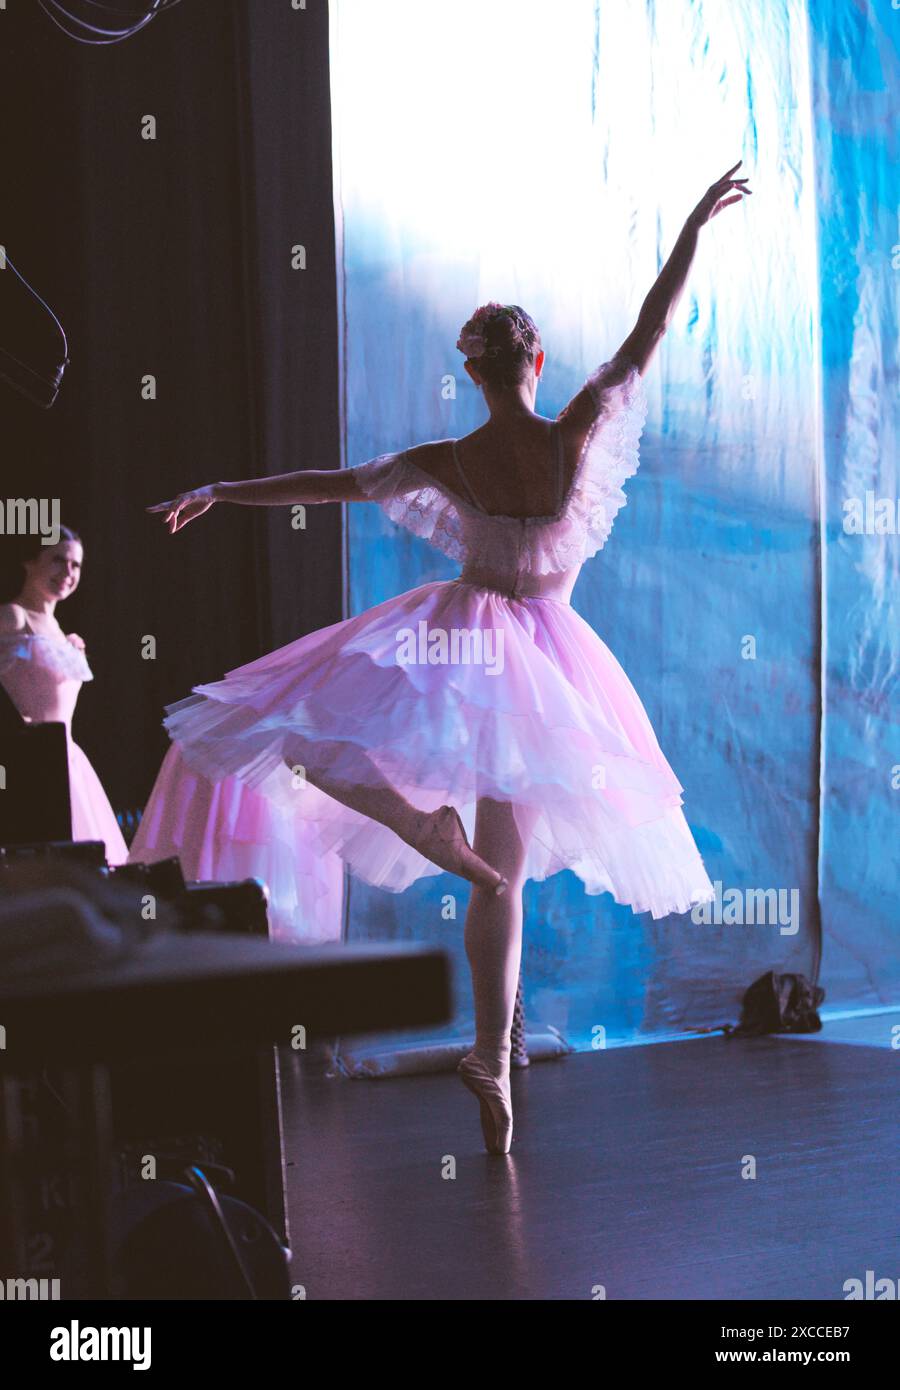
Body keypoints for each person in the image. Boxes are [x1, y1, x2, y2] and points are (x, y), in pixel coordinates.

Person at [142, 163, 752, 1154]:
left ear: (473, 372)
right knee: (499, 871)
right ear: (538, 359)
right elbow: (651, 328)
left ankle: (477, 1013)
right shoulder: (576, 429)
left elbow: (329, 482)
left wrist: (219, 487)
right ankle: (488, 1048)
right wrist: (692, 228)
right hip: (546, 662)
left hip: (466, 636)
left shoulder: (452, 458)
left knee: (311, 729)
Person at [0, 527, 128, 865]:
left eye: (76, 566)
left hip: (66, 759)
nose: (68, 573)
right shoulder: (13, 617)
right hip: (26, 756)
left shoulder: (63, 635)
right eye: (58, 560)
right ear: (31, 561)